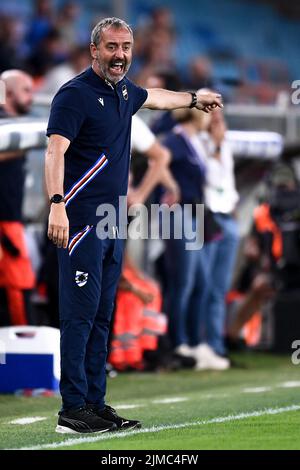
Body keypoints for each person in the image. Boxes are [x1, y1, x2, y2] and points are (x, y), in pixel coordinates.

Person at [45, 17, 222, 434]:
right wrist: (56, 204)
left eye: (125, 46)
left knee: (103, 316)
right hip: (80, 221)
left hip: (111, 223)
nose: (120, 54)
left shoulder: (125, 91)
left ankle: (95, 402)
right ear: (94, 51)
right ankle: (72, 409)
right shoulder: (74, 95)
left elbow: (156, 97)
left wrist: (194, 98)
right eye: (111, 47)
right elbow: (55, 151)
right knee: (79, 316)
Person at [0, 70, 36, 326]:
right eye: (26, 90)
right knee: (17, 284)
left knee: (16, 286)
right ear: (9, 93)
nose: (31, 98)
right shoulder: (8, 129)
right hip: (5, 222)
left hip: (12, 220)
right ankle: (22, 349)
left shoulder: (19, 130)